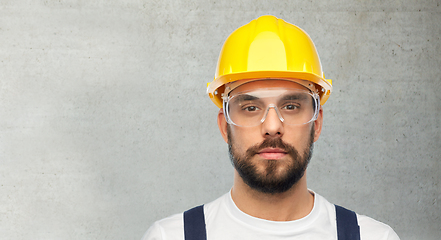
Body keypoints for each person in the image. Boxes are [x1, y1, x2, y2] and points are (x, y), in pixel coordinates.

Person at [142, 15, 400, 240]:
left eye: (290, 106)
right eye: (251, 108)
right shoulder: (170, 237)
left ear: (317, 123)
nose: (273, 126)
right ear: (224, 127)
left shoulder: (373, 237)